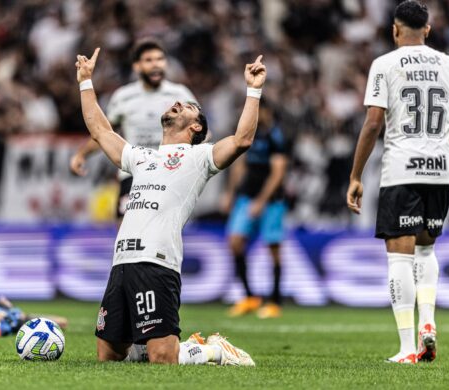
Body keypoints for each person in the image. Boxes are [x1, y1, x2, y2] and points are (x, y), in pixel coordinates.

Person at [76, 47, 266, 365]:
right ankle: (147, 344)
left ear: (195, 129)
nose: (176, 103)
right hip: (122, 262)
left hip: (157, 264)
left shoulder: (199, 157)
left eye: (187, 107)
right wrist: (85, 82)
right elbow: (100, 131)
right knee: (109, 356)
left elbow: (242, 140)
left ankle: (213, 350)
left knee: (163, 358)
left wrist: (253, 90)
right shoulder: (141, 157)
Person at [347, 0, 449, 364]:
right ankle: (428, 324)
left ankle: (406, 347)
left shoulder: (385, 64)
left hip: (402, 168)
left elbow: (372, 123)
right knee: (427, 250)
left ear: (395, 30)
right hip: (441, 169)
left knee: (399, 257)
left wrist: (355, 175)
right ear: (427, 29)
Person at [70, 39, 196, 219]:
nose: (156, 65)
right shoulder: (123, 97)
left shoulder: (180, 95)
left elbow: (201, 130)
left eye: (160, 59)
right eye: (149, 60)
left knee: (164, 232)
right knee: (125, 230)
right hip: (134, 174)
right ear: (137, 66)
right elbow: (105, 134)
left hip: (169, 173)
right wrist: (82, 154)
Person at [221, 101, 290, 318]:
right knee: (235, 242)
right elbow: (240, 164)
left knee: (273, 247)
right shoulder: (247, 134)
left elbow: (278, 172)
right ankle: (250, 297)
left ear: (268, 112)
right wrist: (231, 193)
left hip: (271, 201)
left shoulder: (276, 136)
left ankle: (275, 301)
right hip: (246, 196)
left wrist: (261, 200)